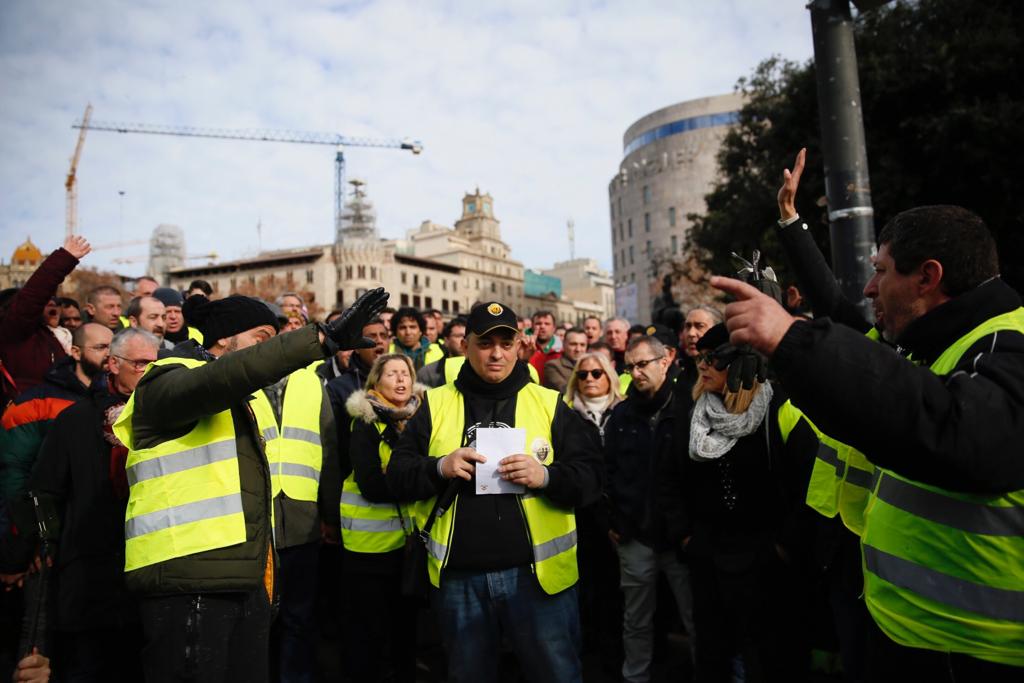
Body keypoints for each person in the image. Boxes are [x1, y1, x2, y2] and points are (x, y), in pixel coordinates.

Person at [713, 202, 1024, 680]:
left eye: (880, 271)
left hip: (975, 652)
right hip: (905, 628)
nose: (868, 288)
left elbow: (960, 436)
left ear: (927, 277)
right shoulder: (927, 341)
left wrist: (792, 339)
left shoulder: (1009, 344)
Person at [111, 288, 388, 683]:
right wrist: (319, 339)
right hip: (187, 580)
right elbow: (223, 376)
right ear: (223, 337)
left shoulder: (241, 399)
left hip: (244, 580)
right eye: (262, 339)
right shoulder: (166, 380)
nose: (270, 350)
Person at [386, 301, 602, 683]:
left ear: (520, 345)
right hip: (460, 582)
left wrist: (546, 476)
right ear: (466, 346)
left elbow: (591, 479)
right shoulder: (435, 404)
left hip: (538, 582)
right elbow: (398, 475)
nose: (497, 353)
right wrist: (440, 466)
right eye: (485, 343)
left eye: (506, 342)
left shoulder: (549, 403)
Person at [667, 323, 815, 682]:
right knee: (713, 658)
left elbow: (810, 484)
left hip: (765, 562)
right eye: (701, 357)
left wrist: (782, 547)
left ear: (742, 364)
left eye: (715, 359)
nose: (703, 366)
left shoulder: (779, 408)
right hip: (709, 559)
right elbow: (670, 481)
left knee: (771, 659)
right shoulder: (691, 414)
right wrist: (687, 538)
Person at [28, 328, 161, 681]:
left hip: (146, 568)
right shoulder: (75, 420)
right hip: (86, 570)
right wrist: (49, 544)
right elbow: (45, 488)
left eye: (155, 364)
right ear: (114, 364)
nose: (148, 371)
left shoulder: (163, 420)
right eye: (140, 363)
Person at [604, 335, 696, 683]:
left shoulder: (688, 408)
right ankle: (635, 677)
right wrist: (614, 520)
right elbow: (607, 471)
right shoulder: (622, 415)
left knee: (695, 617)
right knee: (636, 620)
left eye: (643, 364)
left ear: (665, 360)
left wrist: (690, 531)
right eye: (630, 367)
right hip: (635, 536)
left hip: (680, 538)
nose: (636, 372)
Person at [340, 354, 425, 682]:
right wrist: (416, 476)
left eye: (405, 373)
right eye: (392, 374)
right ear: (376, 381)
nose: (401, 380)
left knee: (404, 626)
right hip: (369, 546)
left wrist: (404, 473)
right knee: (367, 631)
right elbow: (372, 484)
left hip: (407, 544)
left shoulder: (420, 417)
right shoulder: (365, 421)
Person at [264, 348, 338, 683]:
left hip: (303, 521)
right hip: (255, 527)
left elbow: (329, 448)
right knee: (259, 621)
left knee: (299, 617)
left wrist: (329, 514)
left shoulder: (311, 382)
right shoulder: (240, 382)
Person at [564, 351, 625, 674]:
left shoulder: (625, 412)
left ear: (609, 377)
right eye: (583, 374)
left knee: (620, 594)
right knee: (587, 593)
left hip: (622, 518)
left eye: (596, 373)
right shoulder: (564, 415)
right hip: (583, 519)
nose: (589, 379)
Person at [0, 236, 90, 403]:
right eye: (46, 301)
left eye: (55, 300)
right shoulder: (18, 333)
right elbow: (33, 296)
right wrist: (64, 258)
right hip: (33, 418)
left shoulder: (54, 336)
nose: (52, 303)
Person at [417, 317, 467, 388]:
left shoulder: (481, 369)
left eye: (467, 337)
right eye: (459, 336)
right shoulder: (427, 373)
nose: (464, 341)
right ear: (446, 340)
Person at [543, 327, 588, 394]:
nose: (578, 349)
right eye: (573, 344)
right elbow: (565, 390)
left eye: (582, 345)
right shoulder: (552, 366)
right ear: (564, 344)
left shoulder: (592, 366)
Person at [527, 310, 562, 378]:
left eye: (547, 324)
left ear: (554, 328)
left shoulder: (563, 350)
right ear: (532, 326)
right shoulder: (524, 348)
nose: (542, 326)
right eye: (538, 323)